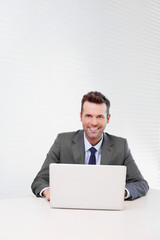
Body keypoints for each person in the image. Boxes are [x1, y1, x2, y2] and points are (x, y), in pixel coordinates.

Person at [31, 91, 149, 201]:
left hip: (106, 212)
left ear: (108, 119)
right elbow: (40, 180)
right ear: (81, 116)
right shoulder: (63, 142)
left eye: (99, 116)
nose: (94, 122)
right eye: (88, 116)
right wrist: (48, 192)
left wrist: (120, 193)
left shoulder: (120, 146)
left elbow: (141, 183)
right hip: (70, 210)